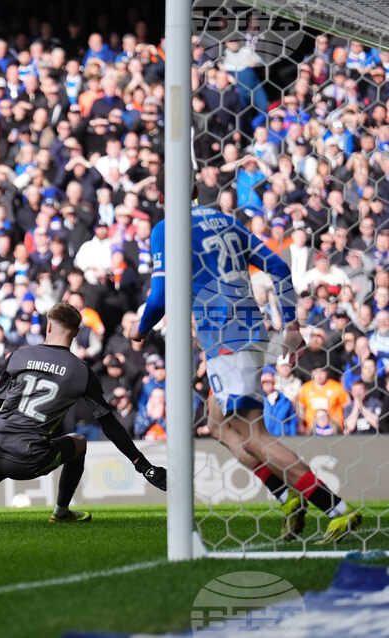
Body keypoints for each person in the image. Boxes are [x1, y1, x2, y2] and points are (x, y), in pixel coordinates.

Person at [130, 205, 360, 544]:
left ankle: (335, 509)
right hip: (243, 331)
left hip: (226, 338)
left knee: (253, 433)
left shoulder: (168, 227)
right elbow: (278, 266)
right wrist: (292, 324)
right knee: (219, 424)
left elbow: (160, 295)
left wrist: (140, 327)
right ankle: (287, 497)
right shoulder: (225, 221)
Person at [0, 303, 167, 526]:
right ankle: (62, 511)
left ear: (49, 326)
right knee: (79, 443)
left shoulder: (19, 356)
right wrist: (143, 466)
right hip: (26, 457)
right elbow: (110, 424)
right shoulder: (81, 372)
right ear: (75, 333)